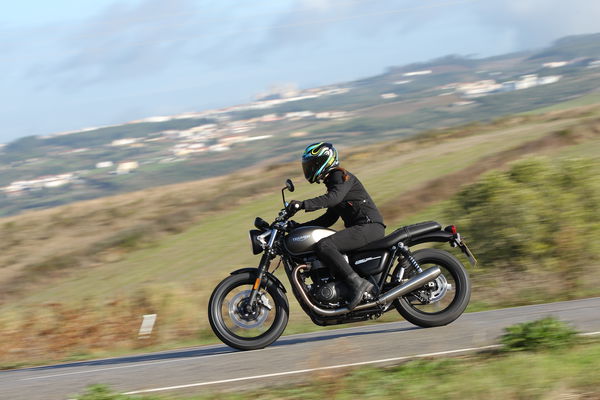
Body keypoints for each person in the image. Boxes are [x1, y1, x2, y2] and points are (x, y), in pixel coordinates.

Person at [287, 142, 386, 310]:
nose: (309, 168)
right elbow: (328, 218)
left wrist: (302, 205)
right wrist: (298, 228)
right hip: (363, 228)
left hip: (369, 227)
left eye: (312, 164)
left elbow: (332, 199)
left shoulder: (339, 176)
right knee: (325, 246)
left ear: (323, 162)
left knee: (325, 245)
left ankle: (357, 284)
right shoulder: (334, 183)